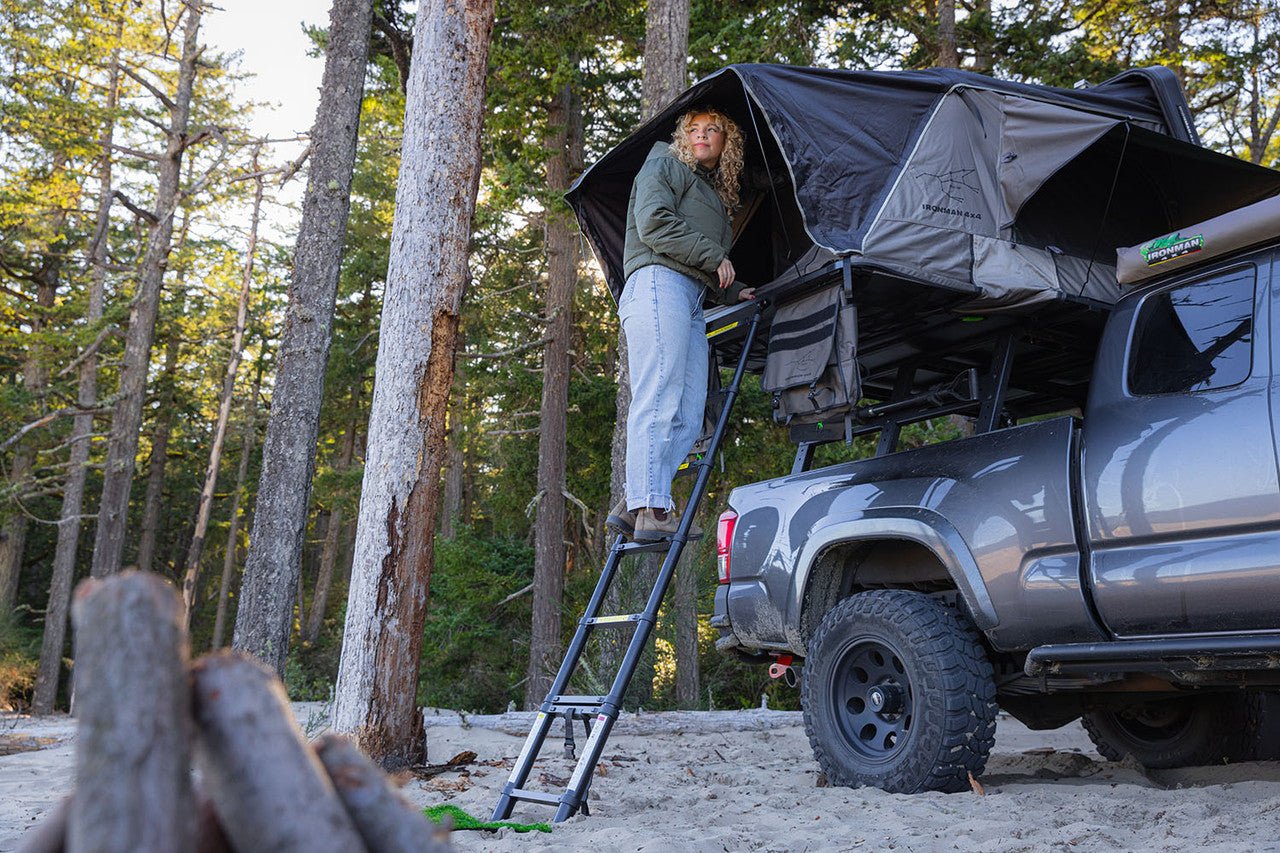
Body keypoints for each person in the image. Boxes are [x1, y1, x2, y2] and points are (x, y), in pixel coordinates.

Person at [607, 107, 756, 542]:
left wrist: (734, 290)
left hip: (689, 296)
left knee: (690, 414)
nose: (702, 136)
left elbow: (707, 265)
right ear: (681, 137)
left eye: (714, 129)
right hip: (657, 284)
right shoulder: (665, 163)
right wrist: (716, 259)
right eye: (694, 129)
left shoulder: (713, 193)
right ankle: (652, 508)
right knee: (659, 396)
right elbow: (654, 224)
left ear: (727, 143)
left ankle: (637, 498)